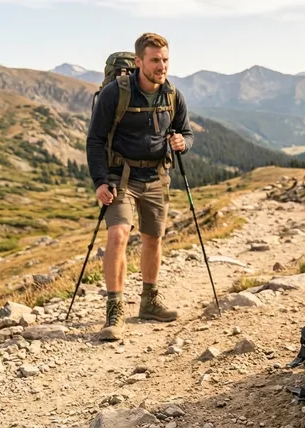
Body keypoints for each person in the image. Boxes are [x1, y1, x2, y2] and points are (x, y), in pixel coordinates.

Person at [86, 32, 194, 341]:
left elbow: (186, 132)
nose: (162, 67)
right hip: (121, 178)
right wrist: (99, 181)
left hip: (157, 177)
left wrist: (182, 142)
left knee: (153, 238)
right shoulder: (115, 94)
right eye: (155, 60)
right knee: (118, 234)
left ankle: (149, 301)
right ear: (138, 62)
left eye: (165, 60)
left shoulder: (173, 95)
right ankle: (115, 309)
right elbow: (95, 140)